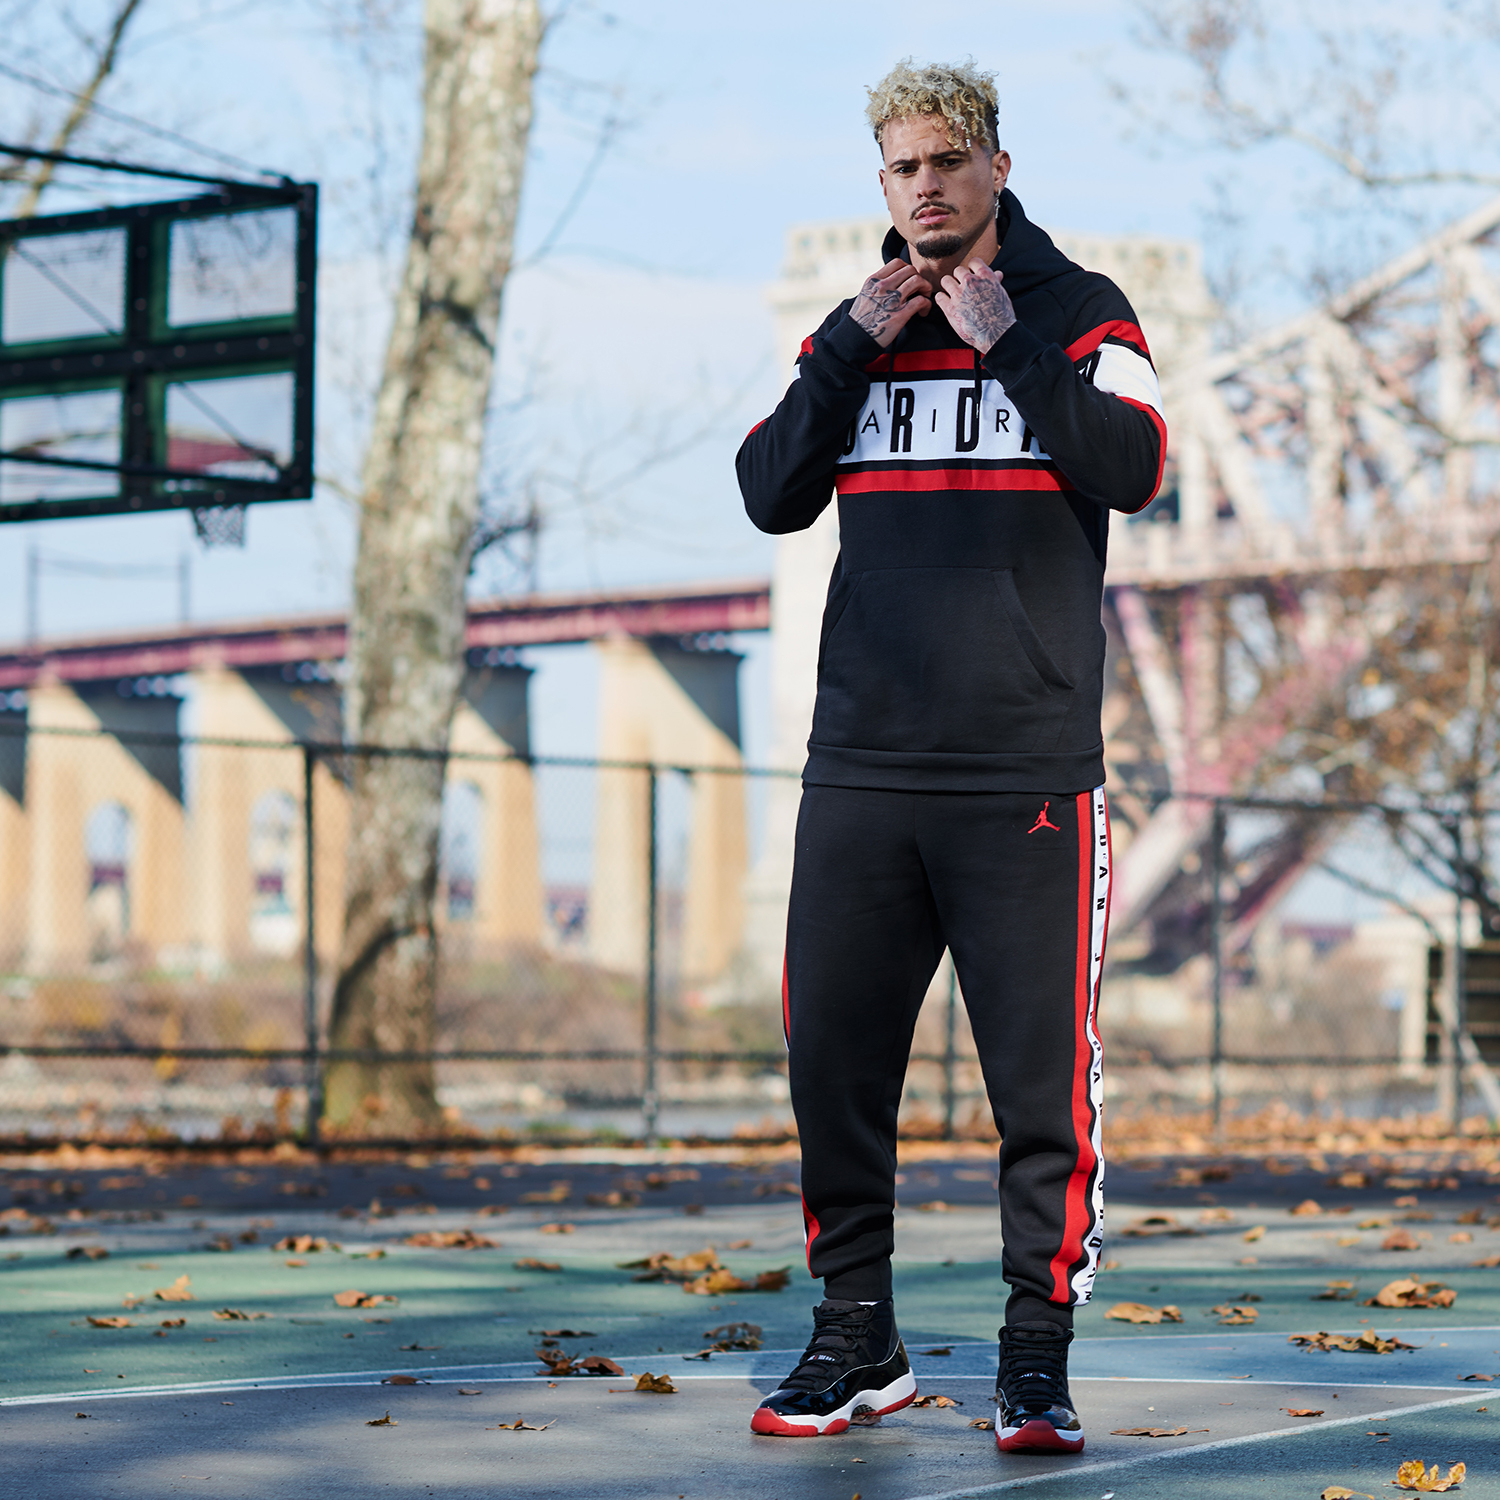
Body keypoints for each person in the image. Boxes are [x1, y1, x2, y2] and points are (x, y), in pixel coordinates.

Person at [735, 58, 1166, 1454]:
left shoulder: (1083, 313)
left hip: (1024, 773)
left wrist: (1012, 351)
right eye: (899, 168)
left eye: (944, 163)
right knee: (833, 1069)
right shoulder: (850, 330)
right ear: (884, 185)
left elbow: (1134, 464)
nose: (922, 187)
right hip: (860, 766)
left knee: (1039, 1090)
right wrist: (855, 345)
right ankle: (857, 1342)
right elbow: (766, 493)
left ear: (994, 168)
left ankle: (1033, 1360)